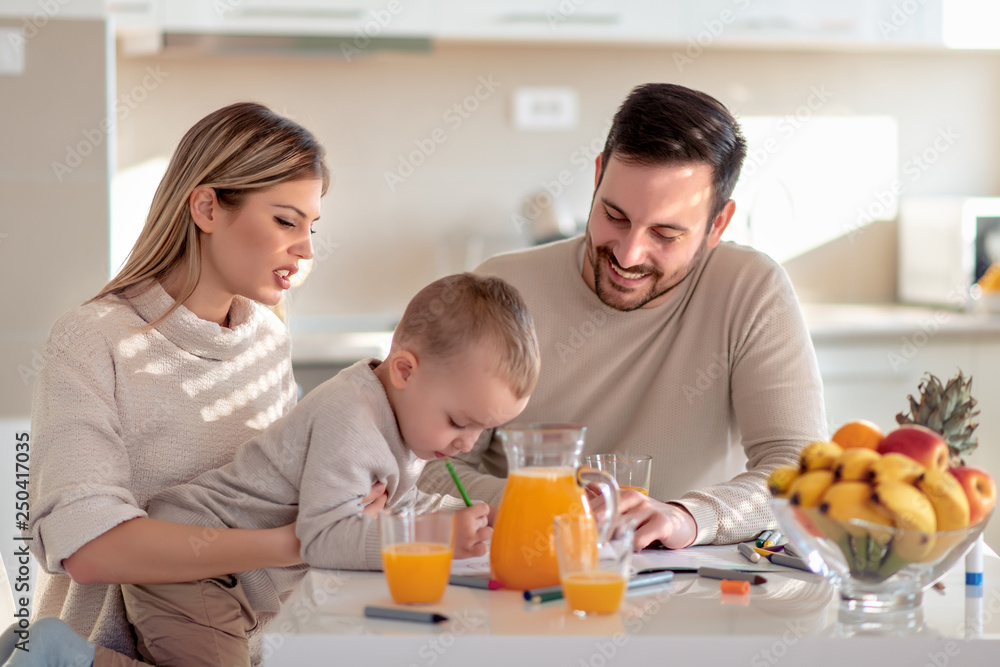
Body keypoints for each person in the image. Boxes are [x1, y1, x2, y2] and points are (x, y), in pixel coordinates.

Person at [19, 102, 380, 667]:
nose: (307, 248)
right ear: (207, 207)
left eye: (312, 227)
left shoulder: (266, 340)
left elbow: (279, 496)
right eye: (286, 221)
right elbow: (88, 547)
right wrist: (296, 540)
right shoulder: (92, 340)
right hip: (108, 646)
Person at [419, 83, 827, 550]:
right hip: (526, 572)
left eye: (666, 234)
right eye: (615, 216)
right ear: (597, 178)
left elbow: (799, 470)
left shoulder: (750, 289)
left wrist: (686, 518)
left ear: (717, 225)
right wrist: (549, 504)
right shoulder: (503, 291)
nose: (629, 254)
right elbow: (425, 465)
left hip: (694, 591)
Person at [93, 273, 534, 667]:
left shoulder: (403, 418)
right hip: (193, 572)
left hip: (232, 582)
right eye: (459, 422)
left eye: (483, 430)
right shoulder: (351, 418)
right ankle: (66, 659)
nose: (467, 444)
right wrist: (436, 535)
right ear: (404, 370)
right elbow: (324, 539)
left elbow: (398, 505)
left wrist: (483, 512)